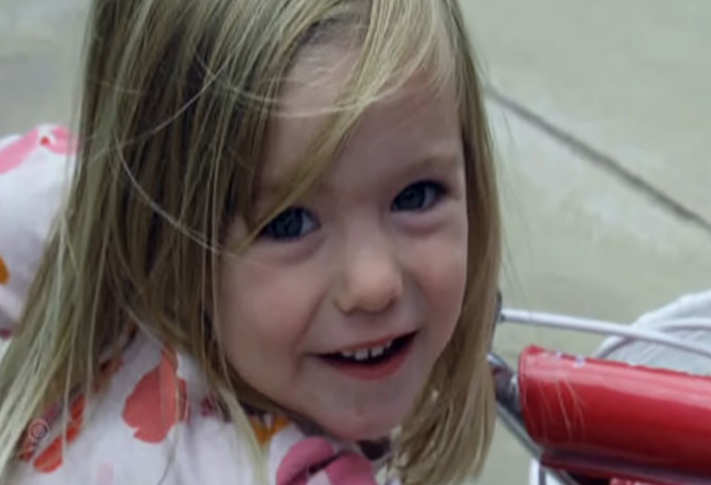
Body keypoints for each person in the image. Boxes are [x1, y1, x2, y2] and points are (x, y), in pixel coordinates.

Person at [0, 1, 501, 483]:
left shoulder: (51, 207)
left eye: (416, 196)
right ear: (156, 227)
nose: (374, 284)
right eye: (289, 224)